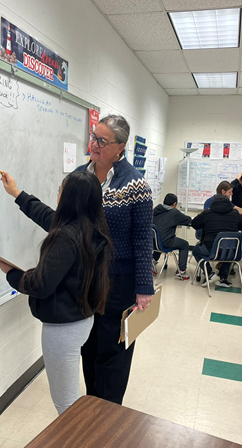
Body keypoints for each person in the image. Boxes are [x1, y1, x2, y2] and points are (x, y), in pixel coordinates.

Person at [0, 170, 112, 415]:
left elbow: (41, 284)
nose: (57, 194)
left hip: (63, 329)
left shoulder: (66, 237)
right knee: (69, 397)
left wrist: (12, 274)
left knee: (65, 401)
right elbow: (46, 215)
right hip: (81, 319)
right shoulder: (90, 227)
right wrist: (17, 193)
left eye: (60, 190)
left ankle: (76, 441)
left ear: (66, 198)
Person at [74, 114, 154, 405]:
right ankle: (91, 404)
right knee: (88, 346)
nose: (93, 144)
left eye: (101, 140)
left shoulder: (135, 185)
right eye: (93, 137)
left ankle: (108, 414)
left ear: (120, 147)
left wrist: (144, 287)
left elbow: (143, 238)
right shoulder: (79, 176)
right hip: (85, 280)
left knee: (114, 351)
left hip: (120, 282)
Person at [191, 194, 242, 288]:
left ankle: (210, 273)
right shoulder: (235, 213)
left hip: (210, 250)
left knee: (196, 250)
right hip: (231, 252)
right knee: (228, 250)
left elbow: (194, 224)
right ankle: (223, 278)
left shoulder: (207, 213)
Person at [153, 193, 191, 280]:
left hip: (153, 242)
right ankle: (182, 271)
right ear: (174, 204)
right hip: (166, 242)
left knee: (159, 237)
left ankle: (153, 261)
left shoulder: (156, 209)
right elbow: (188, 220)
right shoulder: (174, 212)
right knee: (184, 244)